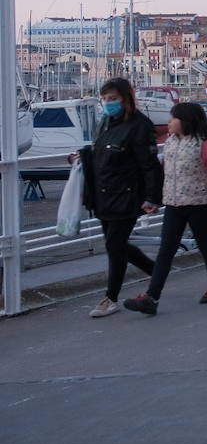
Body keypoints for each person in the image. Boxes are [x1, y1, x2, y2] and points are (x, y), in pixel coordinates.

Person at [123, 102, 207, 316]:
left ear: (186, 120)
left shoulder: (204, 144)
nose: (169, 122)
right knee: (166, 250)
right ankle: (152, 297)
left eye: (173, 118)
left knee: (205, 244)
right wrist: (154, 200)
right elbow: (164, 174)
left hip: (199, 203)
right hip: (173, 204)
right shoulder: (171, 142)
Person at [82, 78, 160, 318]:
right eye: (105, 99)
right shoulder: (106, 122)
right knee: (117, 245)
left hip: (126, 195)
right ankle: (157, 272)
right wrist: (81, 157)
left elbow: (150, 165)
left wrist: (152, 197)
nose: (108, 103)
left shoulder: (139, 125)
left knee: (115, 246)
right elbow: (100, 154)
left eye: (113, 99)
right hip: (103, 195)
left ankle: (111, 297)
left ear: (126, 99)